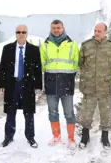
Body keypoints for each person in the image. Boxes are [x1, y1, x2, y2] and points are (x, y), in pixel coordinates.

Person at [0, 24, 43, 148]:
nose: (21, 34)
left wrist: (38, 85)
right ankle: (8, 136)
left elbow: (38, 68)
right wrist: (2, 84)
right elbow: (2, 67)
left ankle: (30, 137)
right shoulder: (8, 48)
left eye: (23, 32)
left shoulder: (34, 49)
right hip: (12, 84)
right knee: (10, 112)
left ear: (27, 34)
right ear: (15, 34)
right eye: (18, 32)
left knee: (28, 113)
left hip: (27, 85)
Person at [78, 23, 111, 149]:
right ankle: (85, 136)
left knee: (105, 113)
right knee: (86, 113)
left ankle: (105, 136)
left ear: (105, 32)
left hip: (105, 87)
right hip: (89, 86)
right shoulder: (86, 46)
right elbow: (81, 63)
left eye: (99, 31)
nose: (96, 33)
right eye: (95, 30)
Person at [40, 19, 79, 149]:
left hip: (67, 83)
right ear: (51, 29)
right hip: (51, 84)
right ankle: (56, 136)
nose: (56, 30)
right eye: (54, 28)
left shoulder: (72, 44)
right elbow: (43, 64)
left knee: (69, 113)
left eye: (58, 28)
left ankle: (71, 138)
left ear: (63, 28)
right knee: (52, 112)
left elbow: (75, 64)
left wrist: (67, 77)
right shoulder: (45, 45)